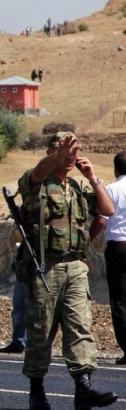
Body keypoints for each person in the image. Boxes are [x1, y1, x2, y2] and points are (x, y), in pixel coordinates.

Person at [17, 131, 117, 410]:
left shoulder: (75, 186)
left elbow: (107, 210)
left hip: (75, 266)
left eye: (75, 152)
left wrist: (93, 177)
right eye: (66, 152)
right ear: (52, 153)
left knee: (80, 326)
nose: (72, 157)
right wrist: (58, 154)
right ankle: (37, 389)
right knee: (40, 330)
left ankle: (83, 388)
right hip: (44, 267)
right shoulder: (34, 182)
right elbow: (38, 171)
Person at [93, 151, 126, 366]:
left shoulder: (111, 190)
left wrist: (86, 239)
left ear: (115, 169)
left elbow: (102, 220)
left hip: (119, 247)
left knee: (120, 300)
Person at [0, 280, 26, 353]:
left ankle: (41, 346)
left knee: (40, 311)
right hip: (23, 272)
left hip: (42, 274)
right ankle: (19, 343)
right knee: (19, 308)